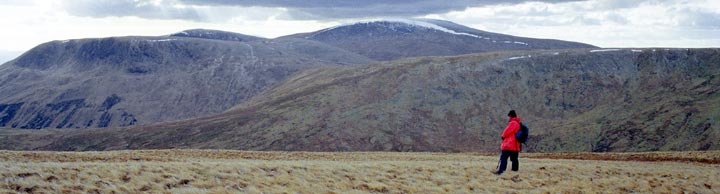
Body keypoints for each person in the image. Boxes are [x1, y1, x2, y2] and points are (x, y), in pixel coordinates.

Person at [493, 110, 521, 175]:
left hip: (509, 144)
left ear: (510, 116)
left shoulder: (513, 123)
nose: (508, 118)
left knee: (504, 158)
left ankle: (501, 171)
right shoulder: (518, 123)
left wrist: (502, 136)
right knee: (514, 159)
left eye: (509, 116)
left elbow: (506, 132)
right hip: (516, 145)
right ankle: (515, 171)